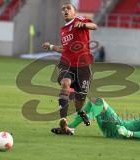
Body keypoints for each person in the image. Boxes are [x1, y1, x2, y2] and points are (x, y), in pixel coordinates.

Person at [42, 3, 98, 132]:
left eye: (68, 8)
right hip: (66, 64)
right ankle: (63, 120)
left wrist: (83, 25)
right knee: (65, 83)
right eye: (63, 9)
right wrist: (50, 46)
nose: (65, 10)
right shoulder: (63, 30)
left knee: (80, 102)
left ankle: (81, 112)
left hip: (83, 66)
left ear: (74, 12)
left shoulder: (79, 20)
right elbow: (64, 49)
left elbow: (94, 26)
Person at [53, 98, 140, 141]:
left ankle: (85, 119)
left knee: (99, 101)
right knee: (94, 102)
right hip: (114, 130)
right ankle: (70, 128)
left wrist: (128, 132)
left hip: (117, 127)